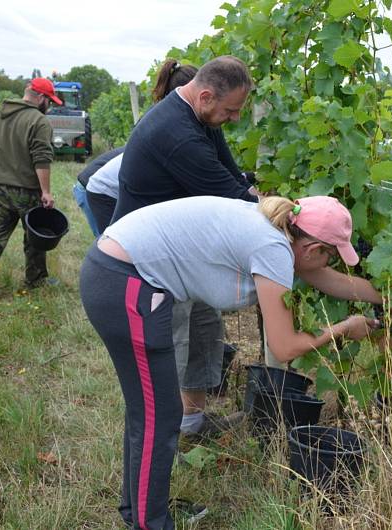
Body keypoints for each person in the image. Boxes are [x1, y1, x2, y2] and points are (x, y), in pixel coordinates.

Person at [80, 195, 381, 529]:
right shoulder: (273, 248)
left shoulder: (274, 227)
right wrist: (343, 329)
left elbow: (325, 278)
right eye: (329, 255)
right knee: (159, 415)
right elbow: (284, 347)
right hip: (123, 283)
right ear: (312, 248)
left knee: (150, 411)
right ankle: (150, 522)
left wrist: (384, 295)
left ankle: (140, 511)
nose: (328, 264)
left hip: (117, 274)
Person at [109, 56, 258, 441]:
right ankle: (163, 442)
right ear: (206, 96)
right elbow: (233, 199)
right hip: (150, 265)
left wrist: (256, 192)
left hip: (187, 254)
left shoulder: (201, 117)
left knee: (205, 332)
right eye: (231, 111)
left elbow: (232, 175)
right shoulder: (176, 134)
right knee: (170, 348)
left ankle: (191, 422)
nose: (236, 119)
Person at [74, 59, 199, 236]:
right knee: (112, 250)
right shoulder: (165, 123)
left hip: (107, 184)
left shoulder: (165, 117)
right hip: (94, 187)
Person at [0, 78, 61, 293]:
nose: (50, 106)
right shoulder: (39, 121)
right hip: (27, 190)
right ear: (42, 98)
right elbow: (42, 158)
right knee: (35, 237)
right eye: (50, 101)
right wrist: (45, 191)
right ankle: (35, 280)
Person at [74, 146, 124, 236]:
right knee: (107, 238)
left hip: (103, 189)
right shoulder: (140, 153)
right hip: (89, 189)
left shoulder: (140, 147)